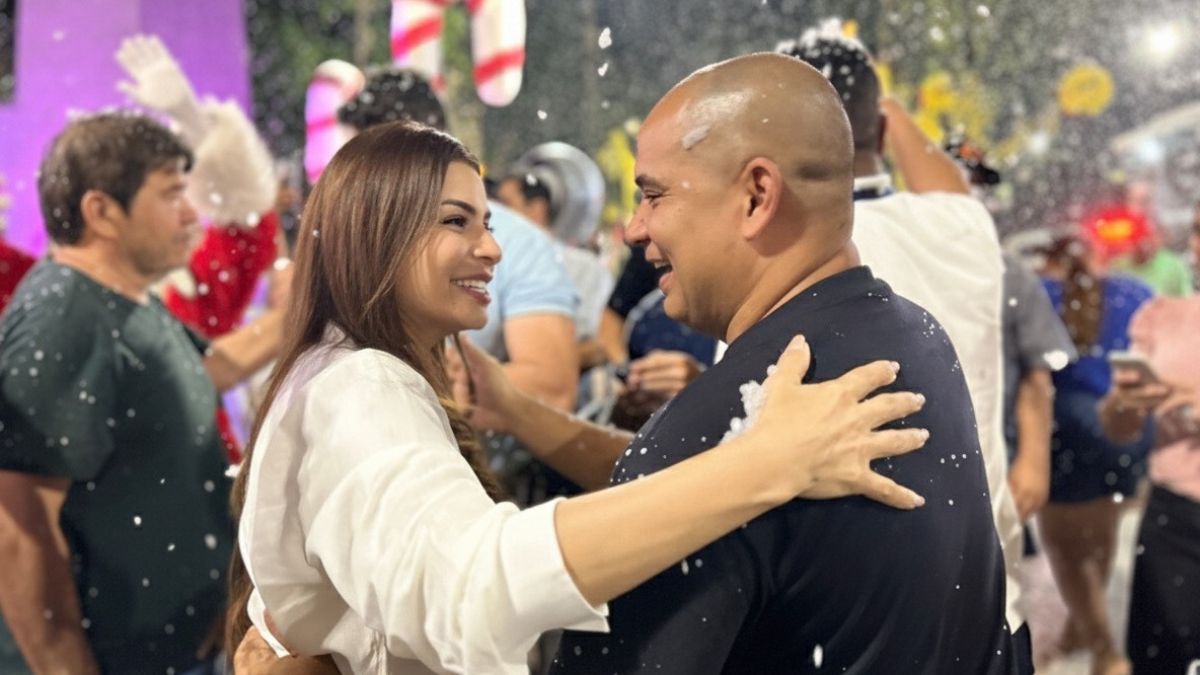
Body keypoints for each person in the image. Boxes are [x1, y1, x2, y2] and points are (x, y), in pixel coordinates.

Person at [228, 120, 930, 673]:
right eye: (456, 221)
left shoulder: (354, 376)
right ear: (375, 233)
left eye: (487, 223)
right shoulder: (362, 384)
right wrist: (764, 464)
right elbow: (471, 589)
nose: (492, 250)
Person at [544, 53, 1016, 674]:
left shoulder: (725, 434)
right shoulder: (920, 336)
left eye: (654, 195)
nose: (634, 229)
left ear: (757, 196)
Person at [778, 29, 1032, 667]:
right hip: (991, 607)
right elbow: (948, 183)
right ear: (884, 131)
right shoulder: (962, 225)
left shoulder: (780, 249)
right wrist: (880, 104)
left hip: (854, 625)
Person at [0, 112, 280, 674]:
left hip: (179, 653)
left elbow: (209, 369)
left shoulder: (123, 298)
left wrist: (311, 305)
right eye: (171, 194)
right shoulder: (65, 316)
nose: (191, 213)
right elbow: (18, 530)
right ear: (101, 211)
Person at [1038, 234, 1154, 675]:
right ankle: (1078, 626)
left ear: (1052, 260)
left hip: (1066, 430)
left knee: (1066, 550)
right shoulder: (1134, 291)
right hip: (1124, 427)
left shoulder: (1039, 292)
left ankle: (1106, 652)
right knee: (1101, 537)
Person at [1097, 293, 1200, 673]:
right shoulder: (1164, 316)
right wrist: (1122, 405)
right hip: (1173, 514)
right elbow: (1120, 428)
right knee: (1159, 658)